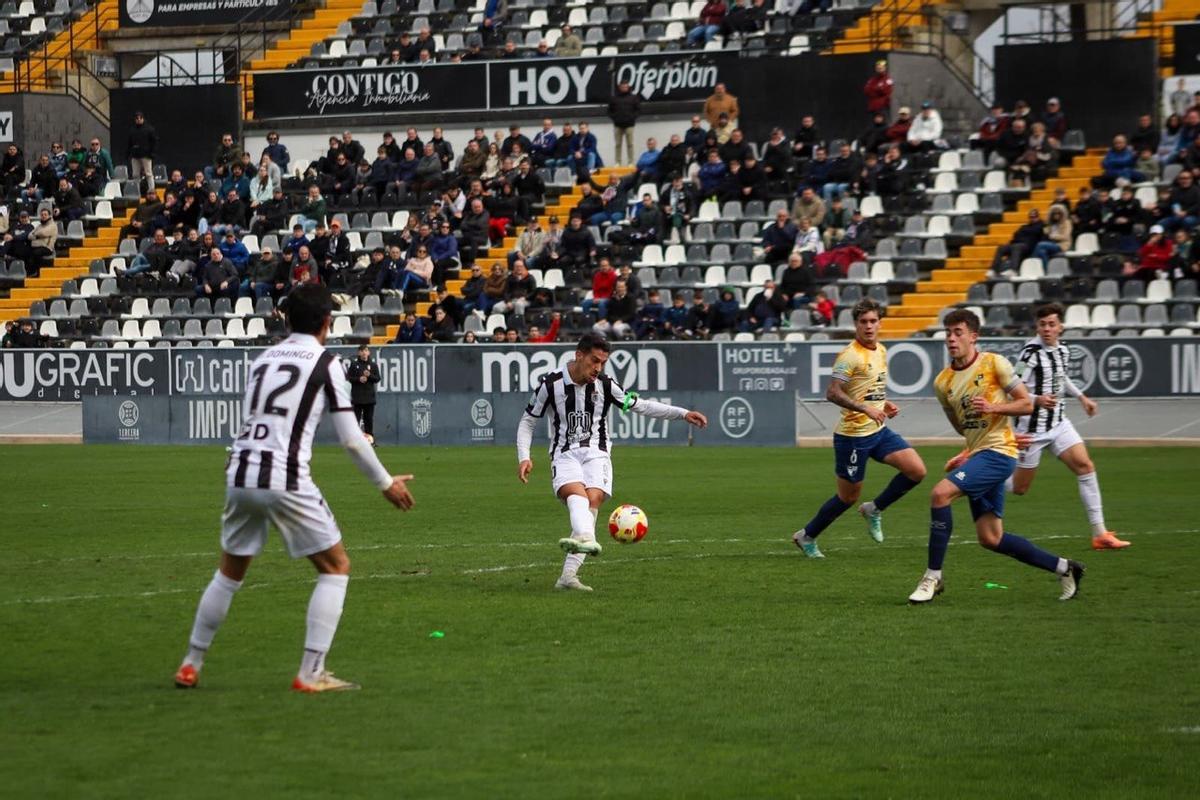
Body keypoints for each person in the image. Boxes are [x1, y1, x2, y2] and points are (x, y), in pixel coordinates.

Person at [173, 286, 414, 697]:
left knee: (229, 573)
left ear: (287, 321)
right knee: (335, 567)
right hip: (284, 476)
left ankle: (191, 664)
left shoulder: (263, 359)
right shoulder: (326, 363)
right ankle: (311, 671)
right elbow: (353, 439)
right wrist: (385, 483)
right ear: (326, 322)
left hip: (240, 471)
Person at [907, 308, 1086, 604]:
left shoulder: (994, 363)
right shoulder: (943, 382)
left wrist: (993, 409)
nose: (951, 338)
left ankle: (932, 577)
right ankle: (1066, 568)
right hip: (982, 453)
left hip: (1000, 454)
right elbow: (962, 426)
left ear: (973, 337)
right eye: (948, 333)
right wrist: (968, 452)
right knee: (991, 538)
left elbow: (1026, 404)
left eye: (958, 332)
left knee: (940, 495)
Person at [516, 334, 708, 591]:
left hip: (597, 452)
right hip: (565, 453)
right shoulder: (550, 384)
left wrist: (683, 414)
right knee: (578, 497)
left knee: (592, 499)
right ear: (579, 355)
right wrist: (524, 456)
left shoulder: (605, 385)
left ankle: (568, 576)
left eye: (603, 363)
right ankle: (587, 537)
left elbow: (641, 405)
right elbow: (528, 420)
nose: (597, 368)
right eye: (594, 361)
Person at [792, 298, 927, 558]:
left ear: (880, 323)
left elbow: (868, 389)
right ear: (856, 324)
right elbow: (832, 393)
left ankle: (874, 509)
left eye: (873, 321)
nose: (869, 326)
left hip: (877, 431)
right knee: (847, 497)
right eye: (863, 321)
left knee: (916, 471)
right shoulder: (849, 356)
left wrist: (883, 404)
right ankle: (806, 536)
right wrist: (866, 409)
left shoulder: (882, 351)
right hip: (852, 437)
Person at [1002, 305, 1132, 550]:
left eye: (1052, 324)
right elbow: (1011, 388)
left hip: (1059, 423)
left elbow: (1061, 377)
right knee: (1019, 488)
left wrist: (1083, 398)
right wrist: (1036, 399)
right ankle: (983, 478)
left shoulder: (1062, 351)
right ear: (1037, 327)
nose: (1047, 329)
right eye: (1042, 325)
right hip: (1032, 429)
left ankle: (1100, 533)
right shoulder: (1029, 354)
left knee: (1085, 466)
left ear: (1061, 327)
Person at [345, 345, 381, 443]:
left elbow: (377, 378)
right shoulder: (354, 364)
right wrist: (359, 379)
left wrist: (369, 375)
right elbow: (349, 378)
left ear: (368, 352)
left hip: (369, 397)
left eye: (366, 350)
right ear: (359, 353)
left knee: (368, 420)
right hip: (357, 397)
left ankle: (370, 441)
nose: (364, 353)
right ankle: (355, 441)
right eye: (362, 351)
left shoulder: (373, 365)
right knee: (355, 419)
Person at [127, 111, 157, 193]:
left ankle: (151, 190)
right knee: (135, 174)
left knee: (148, 174)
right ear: (135, 120)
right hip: (135, 155)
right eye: (137, 118)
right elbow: (129, 143)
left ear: (143, 119)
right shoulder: (132, 130)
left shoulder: (149, 129)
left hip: (146, 155)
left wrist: (152, 153)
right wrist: (129, 153)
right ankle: (137, 191)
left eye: (140, 118)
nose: (138, 120)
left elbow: (154, 142)